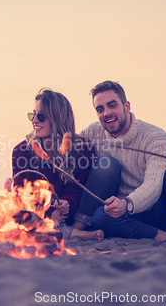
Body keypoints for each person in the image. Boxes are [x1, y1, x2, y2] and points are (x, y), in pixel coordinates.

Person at [73, 80, 166, 240]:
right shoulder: (93, 133)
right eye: (100, 109)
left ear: (126, 106)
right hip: (128, 218)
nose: (106, 113)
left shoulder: (157, 138)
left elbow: (154, 184)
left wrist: (126, 203)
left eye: (112, 105)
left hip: (157, 209)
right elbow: (67, 148)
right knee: (99, 216)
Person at [11, 88, 104, 241]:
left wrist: (66, 204)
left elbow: (78, 189)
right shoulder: (21, 152)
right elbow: (23, 197)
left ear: (58, 119)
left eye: (40, 116)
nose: (34, 121)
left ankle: (72, 229)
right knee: (16, 214)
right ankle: (71, 233)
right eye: (32, 115)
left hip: (75, 215)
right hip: (39, 215)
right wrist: (49, 213)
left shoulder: (83, 149)